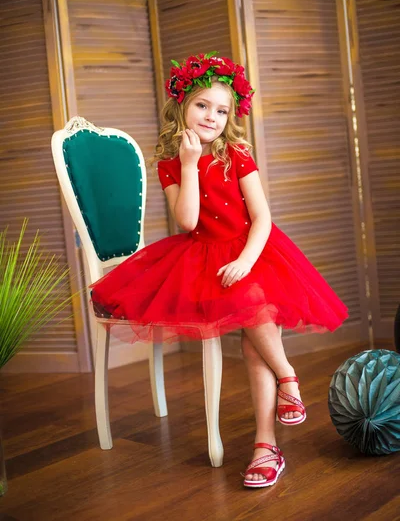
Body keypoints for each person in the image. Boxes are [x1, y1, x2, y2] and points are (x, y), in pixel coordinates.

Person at [89, 52, 348, 489]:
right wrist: (189, 165)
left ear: (232, 116)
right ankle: (285, 386)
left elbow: (262, 218)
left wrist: (246, 260)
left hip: (255, 252)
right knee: (254, 325)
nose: (211, 116)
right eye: (202, 105)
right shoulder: (173, 161)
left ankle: (267, 440)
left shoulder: (237, 153)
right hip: (201, 258)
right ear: (182, 106)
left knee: (253, 332)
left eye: (222, 109)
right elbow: (188, 222)